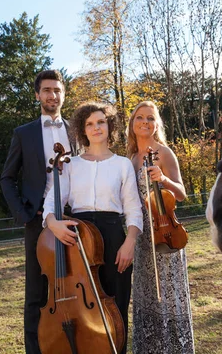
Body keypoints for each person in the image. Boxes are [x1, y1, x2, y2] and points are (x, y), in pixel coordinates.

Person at [43, 101, 143, 353]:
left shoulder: (122, 164)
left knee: (116, 308)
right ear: (82, 130)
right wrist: (53, 224)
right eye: (89, 124)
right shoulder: (70, 165)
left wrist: (129, 243)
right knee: (81, 309)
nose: (96, 127)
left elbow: (133, 209)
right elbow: (51, 203)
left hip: (113, 237)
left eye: (100, 122)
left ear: (109, 126)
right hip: (79, 238)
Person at [0, 69, 76, 354]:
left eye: (57, 90)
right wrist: (23, 214)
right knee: (36, 294)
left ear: (63, 94)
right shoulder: (23, 133)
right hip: (37, 221)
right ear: (37, 95)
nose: (52, 95)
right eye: (47, 90)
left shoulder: (76, 130)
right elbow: (6, 177)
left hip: (75, 217)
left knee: (77, 284)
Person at [126, 101, 195, 354]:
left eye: (150, 118)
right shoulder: (130, 159)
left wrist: (163, 178)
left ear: (157, 125)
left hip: (166, 233)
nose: (145, 122)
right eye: (139, 117)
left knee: (168, 296)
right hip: (143, 238)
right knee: (147, 296)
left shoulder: (164, 153)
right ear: (132, 124)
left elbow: (182, 194)